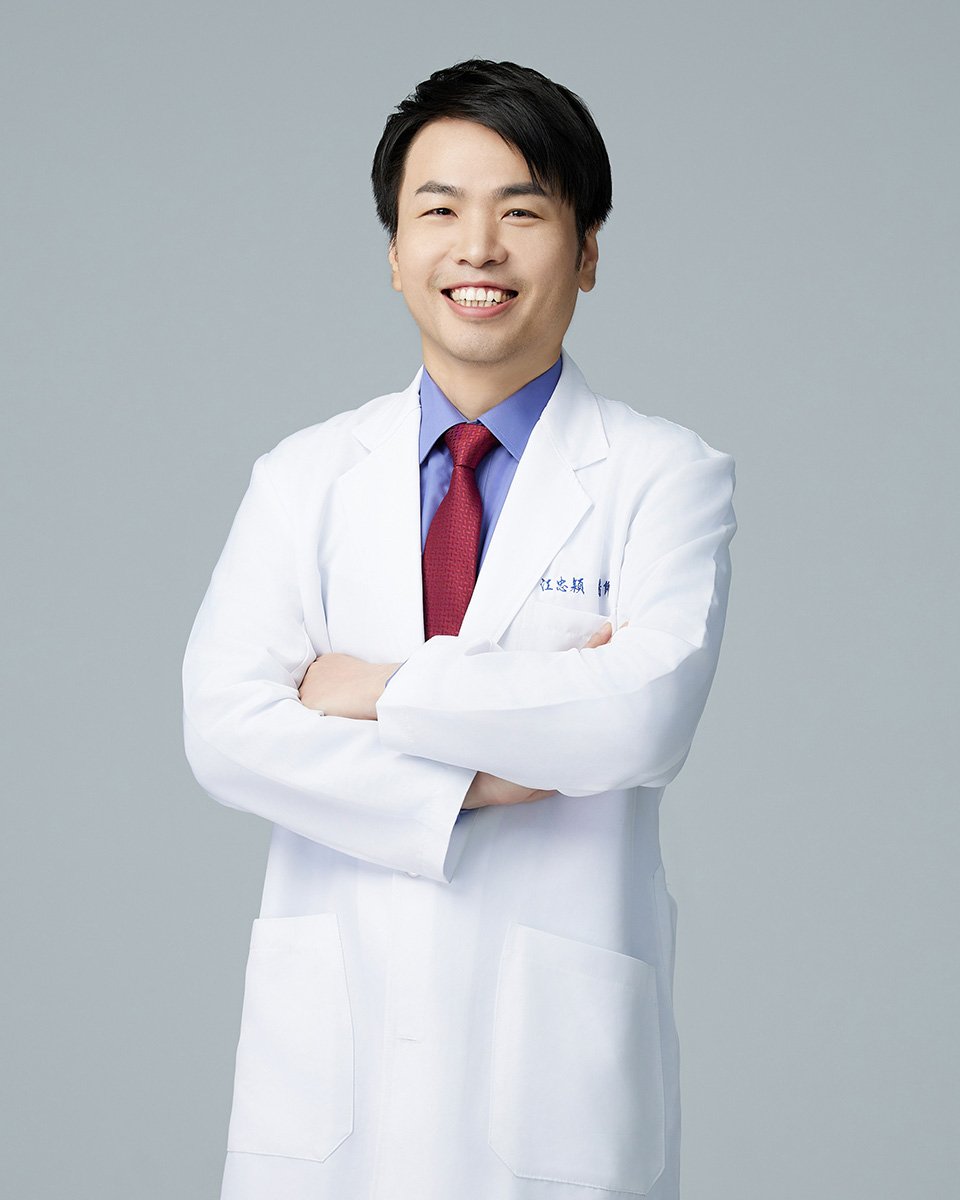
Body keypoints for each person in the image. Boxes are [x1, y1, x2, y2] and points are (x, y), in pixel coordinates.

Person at [182, 57, 736, 1200]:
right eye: (439, 211)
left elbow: (640, 718)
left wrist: (375, 688)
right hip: (330, 1077)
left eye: (522, 212)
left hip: (556, 1089)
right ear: (394, 253)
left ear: (587, 251)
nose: (478, 248)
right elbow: (224, 729)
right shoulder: (303, 478)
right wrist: (487, 773)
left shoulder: (664, 475)